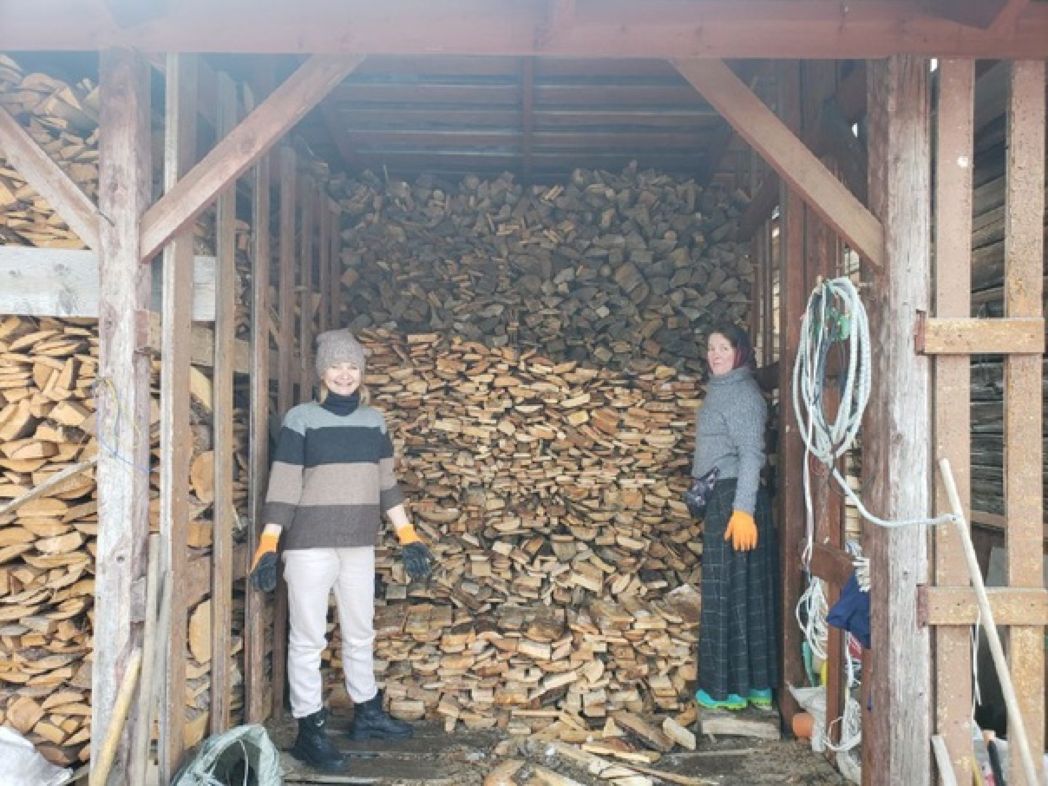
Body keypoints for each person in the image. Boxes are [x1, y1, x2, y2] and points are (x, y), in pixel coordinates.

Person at [249, 328, 434, 772]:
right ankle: (310, 731)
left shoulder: (374, 422)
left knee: (360, 632)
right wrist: (269, 542)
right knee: (308, 639)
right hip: (309, 546)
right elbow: (285, 483)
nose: (345, 374)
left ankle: (366, 712)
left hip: (358, 544)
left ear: (361, 372)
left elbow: (385, 483)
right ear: (322, 372)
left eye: (352, 366)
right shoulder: (301, 419)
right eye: (336, 365)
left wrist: (408, 535)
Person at [691, 323, 778, 711]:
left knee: (728, 594)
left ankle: (727, 690)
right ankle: (747, 687)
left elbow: (751, 454)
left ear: (739, 352)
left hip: (735, 501)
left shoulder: (743, 394)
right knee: (739, 592)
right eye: (711, 348)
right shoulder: (722, 389)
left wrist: (742, 510)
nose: (715, 355)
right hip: (725, 498)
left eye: (723, 348)